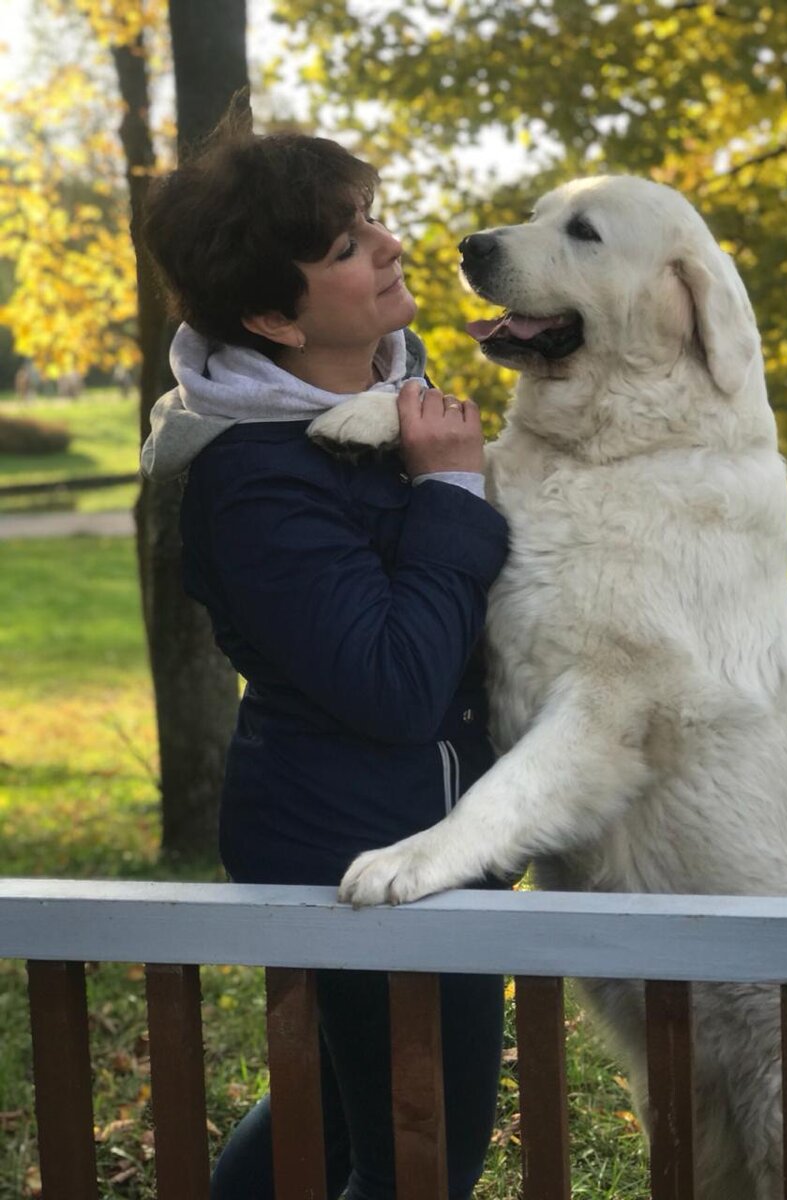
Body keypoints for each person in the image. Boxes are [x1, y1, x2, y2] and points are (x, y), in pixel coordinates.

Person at [140, 116, 509, 1200]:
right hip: (364, 858)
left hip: (404, 834)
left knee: (339, 1121)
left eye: (369, 220)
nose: (387, 245)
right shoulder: (255, 478)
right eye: (344, 247)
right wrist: (449, 489)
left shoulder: (392, 401)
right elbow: (393, 683)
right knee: (421, 1158)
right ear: (268, 316)